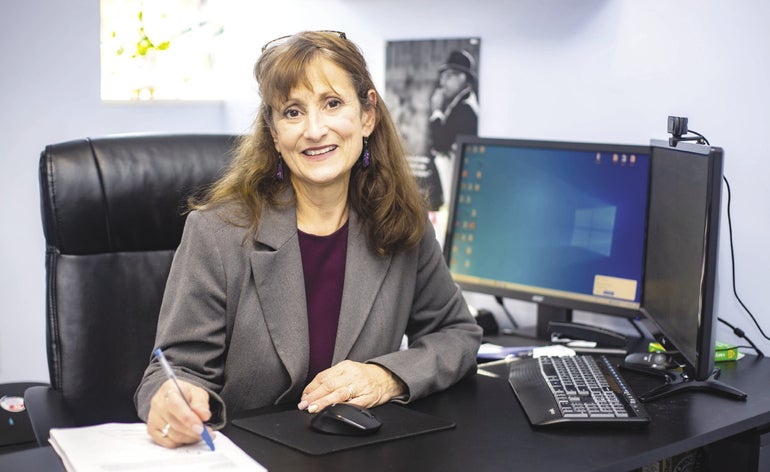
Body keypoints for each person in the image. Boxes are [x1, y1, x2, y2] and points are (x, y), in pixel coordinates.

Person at [134, 30, 483, 448]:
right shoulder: (218, 232)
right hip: (250, 457)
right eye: (293, 112)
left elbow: (457, 334)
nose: (315, 130)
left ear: (367, 115)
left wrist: (386, 376)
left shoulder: (403, 223)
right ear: (274, 132)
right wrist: (174, 399)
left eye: (332, 104)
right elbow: (174, 371)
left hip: (361, 455)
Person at [428, 49, 480, 209]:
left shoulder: (465, 109)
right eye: (443, 76)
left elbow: (441, 144)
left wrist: (436, 111)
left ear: (462, 77)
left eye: (449, 76)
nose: (442, 83)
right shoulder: (459, 103)